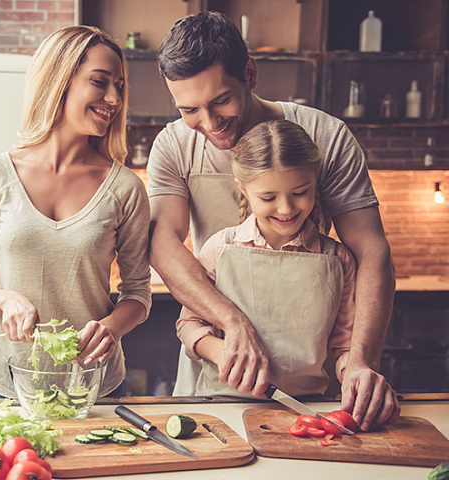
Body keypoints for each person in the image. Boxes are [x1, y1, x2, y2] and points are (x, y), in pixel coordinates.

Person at [148, 11, 398, 430]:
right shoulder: (173, 145)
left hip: (312, 391)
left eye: (221, 99)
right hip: (219, 377)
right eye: (190, 109)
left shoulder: (327, 136)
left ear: (250, 72)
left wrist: (359, 362)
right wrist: (230, 322)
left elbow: (370, 250)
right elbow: (161, 244)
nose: (209, 124)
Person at [0, 25, 151, 399]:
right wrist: (5, 299)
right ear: (60, 80)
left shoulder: (125, 187)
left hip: (93, 384)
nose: (113, 97)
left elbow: (137, 295)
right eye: (100, 81)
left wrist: (112, 326)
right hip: (9, 383)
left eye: (120, 86)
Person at [178, 119, 364, 402]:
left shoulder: (339, 261)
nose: (286, 208)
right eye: (268, 197)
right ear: (244, 189)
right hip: (225, 404)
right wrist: (221, 352)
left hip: (307, 406)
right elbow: (188, 324)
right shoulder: (219, 249)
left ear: (315, 181)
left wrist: (354, 372)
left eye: (300, 193)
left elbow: (345, 345)